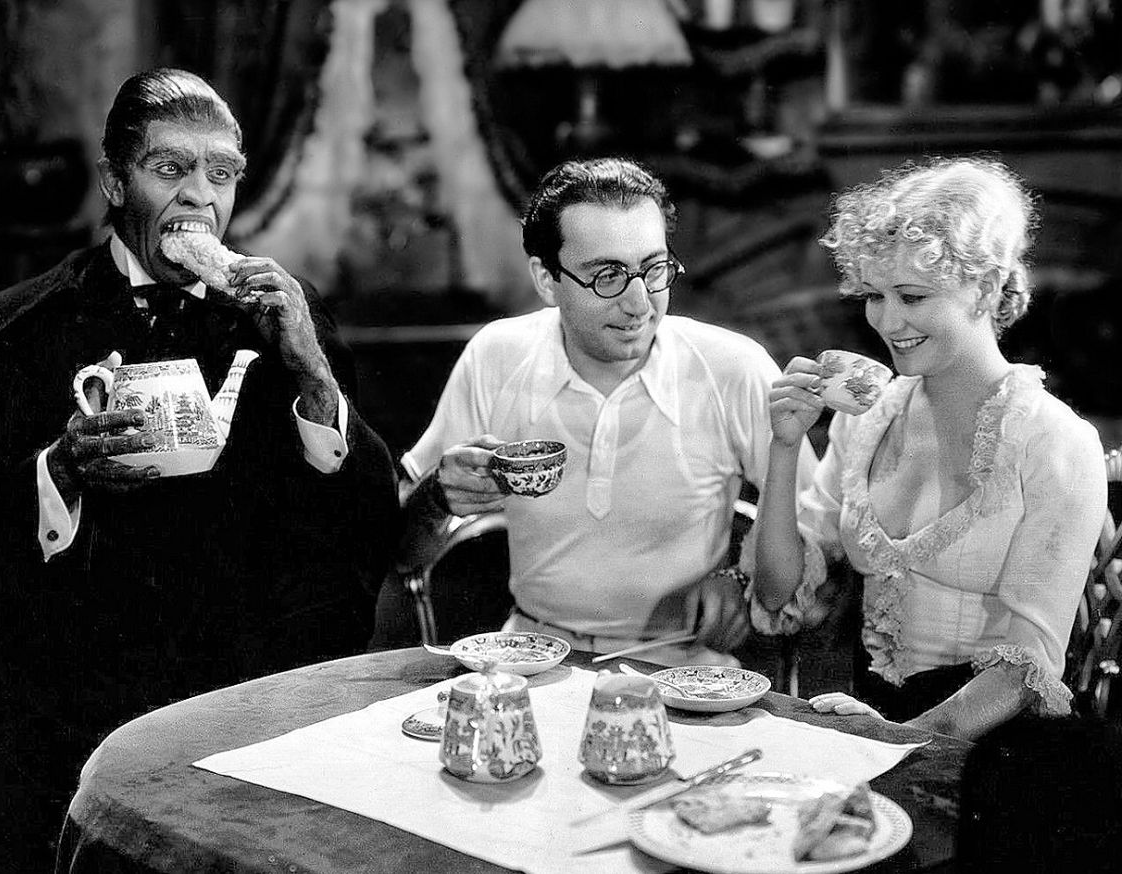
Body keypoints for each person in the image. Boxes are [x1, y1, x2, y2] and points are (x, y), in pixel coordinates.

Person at [0, 68, 398, 870]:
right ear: (114, 181)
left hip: (243, 713)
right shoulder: (11, 328)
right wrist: (59, 475)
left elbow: (363, 525)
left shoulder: (288, 313)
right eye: (170, 169)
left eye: (222, 174)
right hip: (66, 724)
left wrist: (317, 382)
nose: (199, 200)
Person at [394, 157, 817, 666]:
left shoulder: (732, 367)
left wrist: (738, 577)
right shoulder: (497, 357)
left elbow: (816, 536)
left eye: (654, 269)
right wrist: (438, 497)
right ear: (547, 280)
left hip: (682, 669)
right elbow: (400, 553)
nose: (640, 303)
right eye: (608, 276)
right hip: (534, 656)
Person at [750, 157, 1106, 740]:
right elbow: (777, 595)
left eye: (912, 296)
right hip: (864, 720)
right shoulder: (865, 421)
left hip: (987, 744)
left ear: (987, 287)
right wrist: (784, 447)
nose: (887, 321)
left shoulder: (1054, 442)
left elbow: (1026, 670)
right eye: (873, 295)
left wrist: (895, 741)